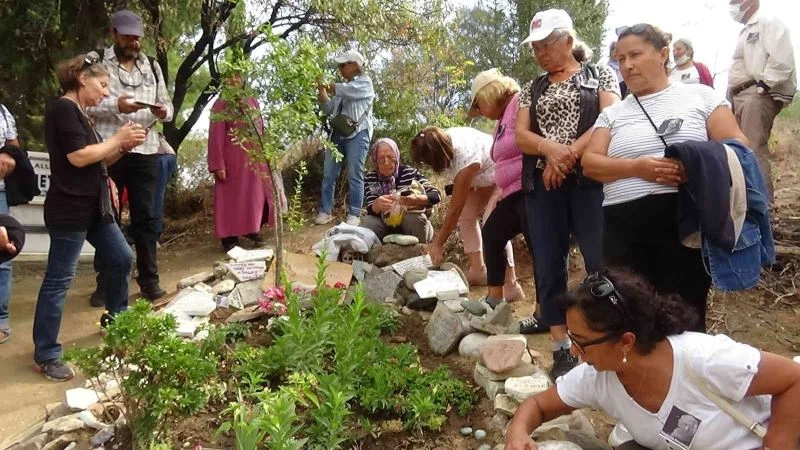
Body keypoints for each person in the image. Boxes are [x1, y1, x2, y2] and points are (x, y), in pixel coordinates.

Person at [504, 269, 800, 450]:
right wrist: (517, 434)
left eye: (581, 343)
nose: (572, 351)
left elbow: (793, 379)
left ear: (626, 342)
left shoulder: (704, 359)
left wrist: (778, 445)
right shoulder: (599, 377)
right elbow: (537, 405)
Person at [582, 23, 748, 332]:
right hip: (622, 224)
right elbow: (591, 162)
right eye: (620, 58)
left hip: (682, 220)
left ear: (662, 54)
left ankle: (685, 377)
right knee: (628, 314)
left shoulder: (701, 97)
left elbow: (738, 147)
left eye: (635, 54)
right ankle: (639, 378)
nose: (627, 65)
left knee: (683, 311)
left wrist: (697, 168)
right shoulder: (613, 113)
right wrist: (636, 168)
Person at [515, 8, 620, 378]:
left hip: (589, 180)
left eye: (546, 44)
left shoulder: (601, 75)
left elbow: (610, 118)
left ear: (568, 42)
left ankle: (607, 336)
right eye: (536, 47)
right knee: (548, 262)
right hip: (545, 185)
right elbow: (521, 135)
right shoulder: (532, 86)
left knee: (600, 260)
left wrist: (569, 153)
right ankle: (562, 348)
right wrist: (551, 151)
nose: (540, 53)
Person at [33, 53, 144, 381]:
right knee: (59, 280)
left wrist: (120, 148)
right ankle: (47, 353)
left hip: (95, 208)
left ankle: (117, 322)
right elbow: (78, 157)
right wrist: (117, 139)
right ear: (82, 78)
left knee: (122, 258)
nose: (106, 93)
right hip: (70, 209)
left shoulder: (81, 114)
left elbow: (96, 159)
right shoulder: (63, 109)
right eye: (103, 84)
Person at [87, 9, 174, 304]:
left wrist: (163, 111)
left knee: (147, 218)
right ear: (114, 34)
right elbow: (85, 106)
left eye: (137, 37)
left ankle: (149, 280)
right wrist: (117, 107)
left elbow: (169, 108)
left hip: (146, 149)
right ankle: (106, 284)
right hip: (109, 149)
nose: (133, 42)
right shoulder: (96, 62)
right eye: (127, 36)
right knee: (106, 216)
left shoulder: (151, 65)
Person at [467, 68, 531, 304]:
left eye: (479, 105)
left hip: (530, 189)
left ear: (489, 96)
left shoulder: (519, 103)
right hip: (511, 193)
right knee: (493, 232)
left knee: (539, 247)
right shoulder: (500, 121)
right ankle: (494, 297)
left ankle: (546, 311)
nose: (481, 112)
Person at [410, 126, 502, 286]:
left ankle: (509, 283)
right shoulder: (442, 140)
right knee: (467, 216)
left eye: (429, 163)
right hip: (482, 175)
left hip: (502, 170)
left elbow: (455, 209)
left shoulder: (465, 160)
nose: (429, 166)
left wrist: (438, 243)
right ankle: (478, 271)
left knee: (494, 222)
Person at [728, 0, 796, 202]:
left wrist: (763, 85)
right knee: (739, 150)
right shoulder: (745, 30)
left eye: (734, 2)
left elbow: (782, 59)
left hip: (755, 95)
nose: (731, 6)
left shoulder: (768, 22)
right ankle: (748, 203)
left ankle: (764, 206)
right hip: (739, 96)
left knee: (754, 149)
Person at [208, 73, 284, 251]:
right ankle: (229, 237)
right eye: (230, 77)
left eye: (238, 76)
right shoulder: (220, 105)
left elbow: (261, 129)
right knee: (230, 199)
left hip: (254, 159)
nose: (234, 80)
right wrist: (217, 164)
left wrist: (268, 153)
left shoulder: (252, 101)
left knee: (253, 198)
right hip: (232, 160)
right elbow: (215, 137)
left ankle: (251, 229)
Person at [316, 50, 374, 226]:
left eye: (343, 65)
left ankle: (354, 213)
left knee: (355, 174)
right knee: (328, 174)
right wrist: (321, 90)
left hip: (359, 133)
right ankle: (325, 211)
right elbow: (329, 108)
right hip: (338, 134)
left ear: (355, 65)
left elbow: (345, 90)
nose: (340, 68)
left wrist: (327, 85)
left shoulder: (364, 83)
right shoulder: (343, 88)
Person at [361, 138, 441, 243]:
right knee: (368, 222)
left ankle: (419, 252)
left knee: (415, 219)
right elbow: (371, 208)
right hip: (384, 225)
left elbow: (435, 195)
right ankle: (378, 252)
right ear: (375, 160)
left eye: (390, 157)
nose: (386, 162)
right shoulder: (372, 178)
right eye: (381, 159)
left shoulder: (409, 173)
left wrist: (415, 199)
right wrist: (376, 205)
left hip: (409, 223)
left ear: (397, 156)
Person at [0, 104, 19, 344]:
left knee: (3, 252)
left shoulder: (3, 111)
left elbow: (14, 146)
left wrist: (9, 154)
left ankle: (0, 317)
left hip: (0, 190)